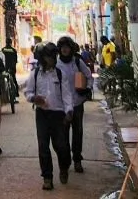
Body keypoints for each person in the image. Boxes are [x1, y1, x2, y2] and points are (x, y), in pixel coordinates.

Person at [25, 42, 73, 190]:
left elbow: (66, 94)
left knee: (62, 147)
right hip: (42, 114)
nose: (51, 59)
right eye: (48, 57)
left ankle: (64, 167)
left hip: (58, 114)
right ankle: (47, 177)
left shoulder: (60, 74)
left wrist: (69, 111)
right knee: (43, 146)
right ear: (42, 58)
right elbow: (28, 93)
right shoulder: (36, 74)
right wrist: (34, 99)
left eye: (53, 57)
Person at [56, 36, 94, 173]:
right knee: (63, 135)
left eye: (67, 47)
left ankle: (77, 159)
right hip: (62, 106)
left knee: (77, 133)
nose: (65, 49)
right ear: (59, 49)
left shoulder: (77, 62)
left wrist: (88, 88)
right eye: (62, 47)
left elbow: (89, 76)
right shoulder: (55, 64)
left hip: (77, 103)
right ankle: (65, 161)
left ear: (71, 49)